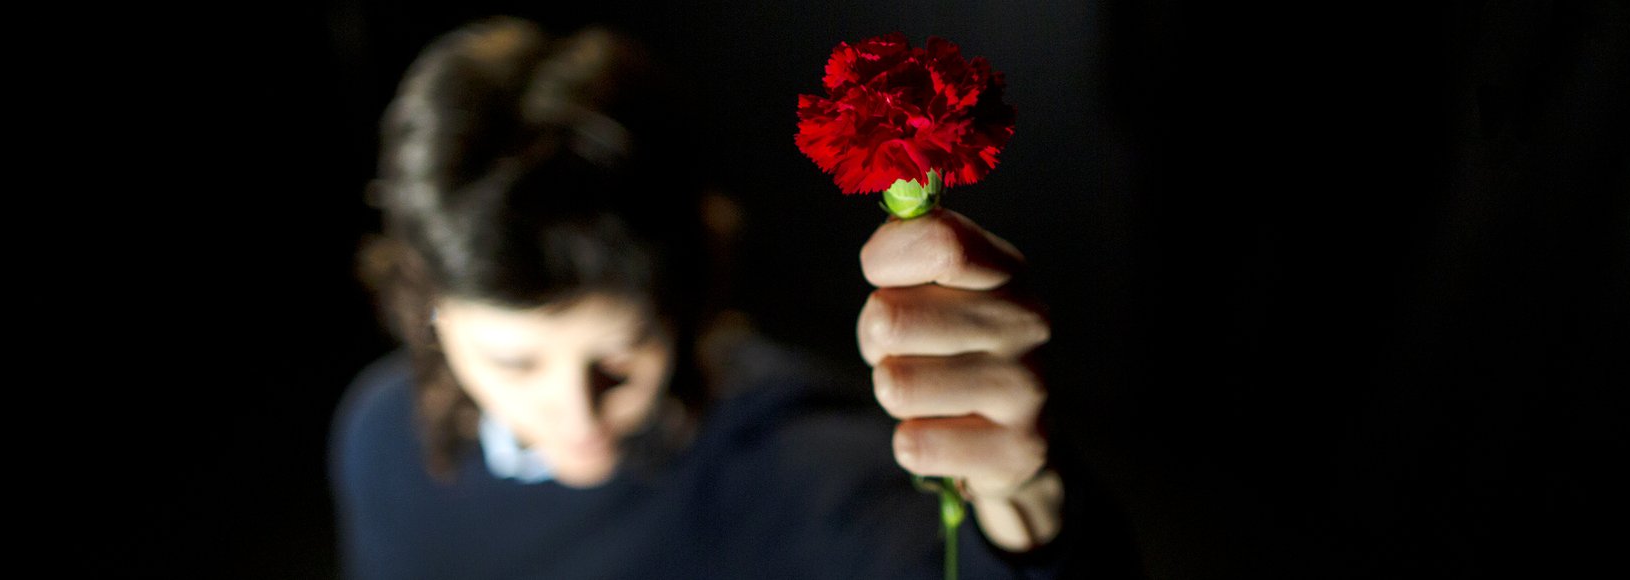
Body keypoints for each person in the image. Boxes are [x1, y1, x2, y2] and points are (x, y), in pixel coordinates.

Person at [330, 16, 1127, 579]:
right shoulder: (378, 443)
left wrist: (1023, 503)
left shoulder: (801, 465)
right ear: (427, 312)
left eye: (618, 355)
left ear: (683, 295)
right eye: (515, 361)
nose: (575, 417)